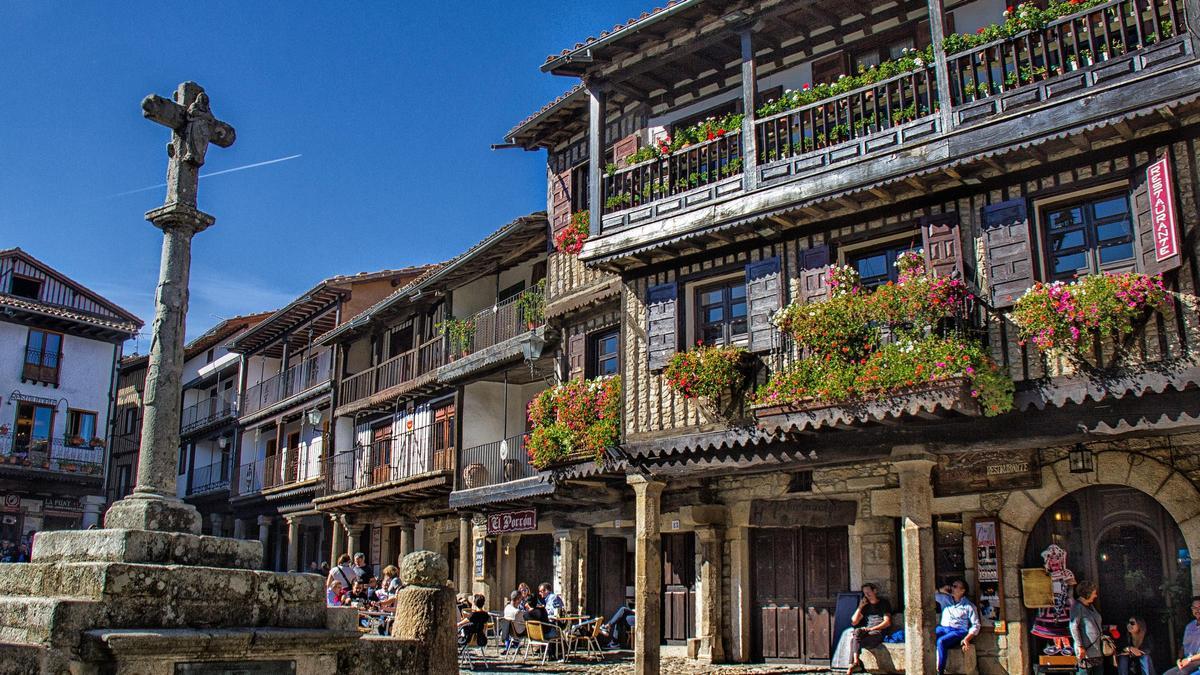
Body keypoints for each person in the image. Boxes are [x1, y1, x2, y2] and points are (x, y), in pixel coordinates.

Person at [935, 579, 980, 675]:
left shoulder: (969, 606)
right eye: (952, 585)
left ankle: (940, 671)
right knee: (928, 635)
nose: (952, 588)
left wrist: (967, 639)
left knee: (941, 641)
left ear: (962, 591)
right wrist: (941, 590)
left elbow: (976, 625)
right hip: (943, 628)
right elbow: (930, 594)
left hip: (958, 631)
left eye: (955, 587)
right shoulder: (945, 599)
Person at [846, 583, 893, 673]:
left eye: (869, 592)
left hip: (877, 633)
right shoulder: (866, 606)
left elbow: (887, 622)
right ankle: (856, 662)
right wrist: (860, 606)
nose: (867, 595)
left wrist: (872, 629)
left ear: (874, 591)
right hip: (866, 631)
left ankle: (854, 664)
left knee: (853, 641)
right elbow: (854, 621)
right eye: (865, 593)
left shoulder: (883, 603)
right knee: (856, 631)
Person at [1069, 580, 1104, 675]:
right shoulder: (1077, 607)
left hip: (1096, 650)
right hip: (1086, 652)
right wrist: (1080, 646)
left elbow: (1094, 624)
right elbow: (1073, 627)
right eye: (1093, 593)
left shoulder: (1091, 606)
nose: (1095, 596)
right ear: (1087, 594)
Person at [1163, 597, 1200, 675]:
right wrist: (1179, 659)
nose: (1197, 610)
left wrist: (1189, 659)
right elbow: (1183, 647)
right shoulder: (1189, 626)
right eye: (1194, 608)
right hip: (1187, 662)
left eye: (1199, 607)